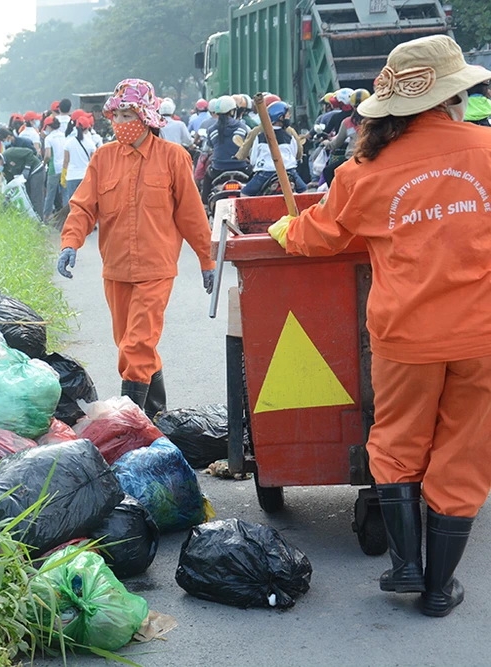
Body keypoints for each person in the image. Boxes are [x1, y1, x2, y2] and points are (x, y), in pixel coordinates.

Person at [266, 35, 491, 617]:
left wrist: (283, 232)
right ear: (450, 98)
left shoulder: (363, 169)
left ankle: (406, 565)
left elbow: (319, 236)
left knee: (396, 442)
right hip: (482, 336)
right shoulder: (487, 150)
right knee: (465, 453)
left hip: (405, 337)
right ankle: (440, 589)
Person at [56, 78, 215, 420]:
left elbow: (192, 215)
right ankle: (159, 417)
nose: (119, 123)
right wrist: (71, 242)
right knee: (128, 350)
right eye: (116, 115)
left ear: (145, 116)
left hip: (155, 269)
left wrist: (207, 259)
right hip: (116, 269)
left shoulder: (173, 158)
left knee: (137, 344)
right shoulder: (103, 158)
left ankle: (131, 425)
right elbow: (83, 207)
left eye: (127, 114)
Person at [236, 100, 306, 195]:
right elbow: (295, 153)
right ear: (280, 117)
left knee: (244, 194)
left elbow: (253, 160)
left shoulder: (259, 135)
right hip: (289, 172)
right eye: (287, 115)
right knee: (305, 192)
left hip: (265, 174)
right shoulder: (290, 135)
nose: (289, 117)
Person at [201, 95, 250, 203]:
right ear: (232, 111)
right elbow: (248, 146)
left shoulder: (211, 130)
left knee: (206, 177)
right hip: (241, 167)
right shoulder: (242, 127)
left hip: (218, 169)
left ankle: (204, 205)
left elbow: (208, 148)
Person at [0, 142, 46, 221]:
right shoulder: (5, 168)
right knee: (28, 198)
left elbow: (29, 153)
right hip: (27, 177)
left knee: (35, 197)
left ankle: (40, 221)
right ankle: (33, 220)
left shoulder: (10, 153)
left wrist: (27, 168)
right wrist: (7, 196)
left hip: (36, 170)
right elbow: (11, 182)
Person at [61, 113, 97, 201]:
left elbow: (66, 161)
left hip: (71, 176)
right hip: (85, 177)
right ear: (87, 128)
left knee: (73, 204)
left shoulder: (69, 142)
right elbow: (94, 162)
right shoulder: (91, 144)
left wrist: (63, 175)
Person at [42, 115, 67, 218]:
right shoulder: (64, 135)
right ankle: (67, 216)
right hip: (65, 168)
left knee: (50, 194)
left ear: (48, 126)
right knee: (65, 194)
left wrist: (43, 163)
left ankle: (46, 217)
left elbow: (47, 155)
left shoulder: (49, 138)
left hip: (53, 169)